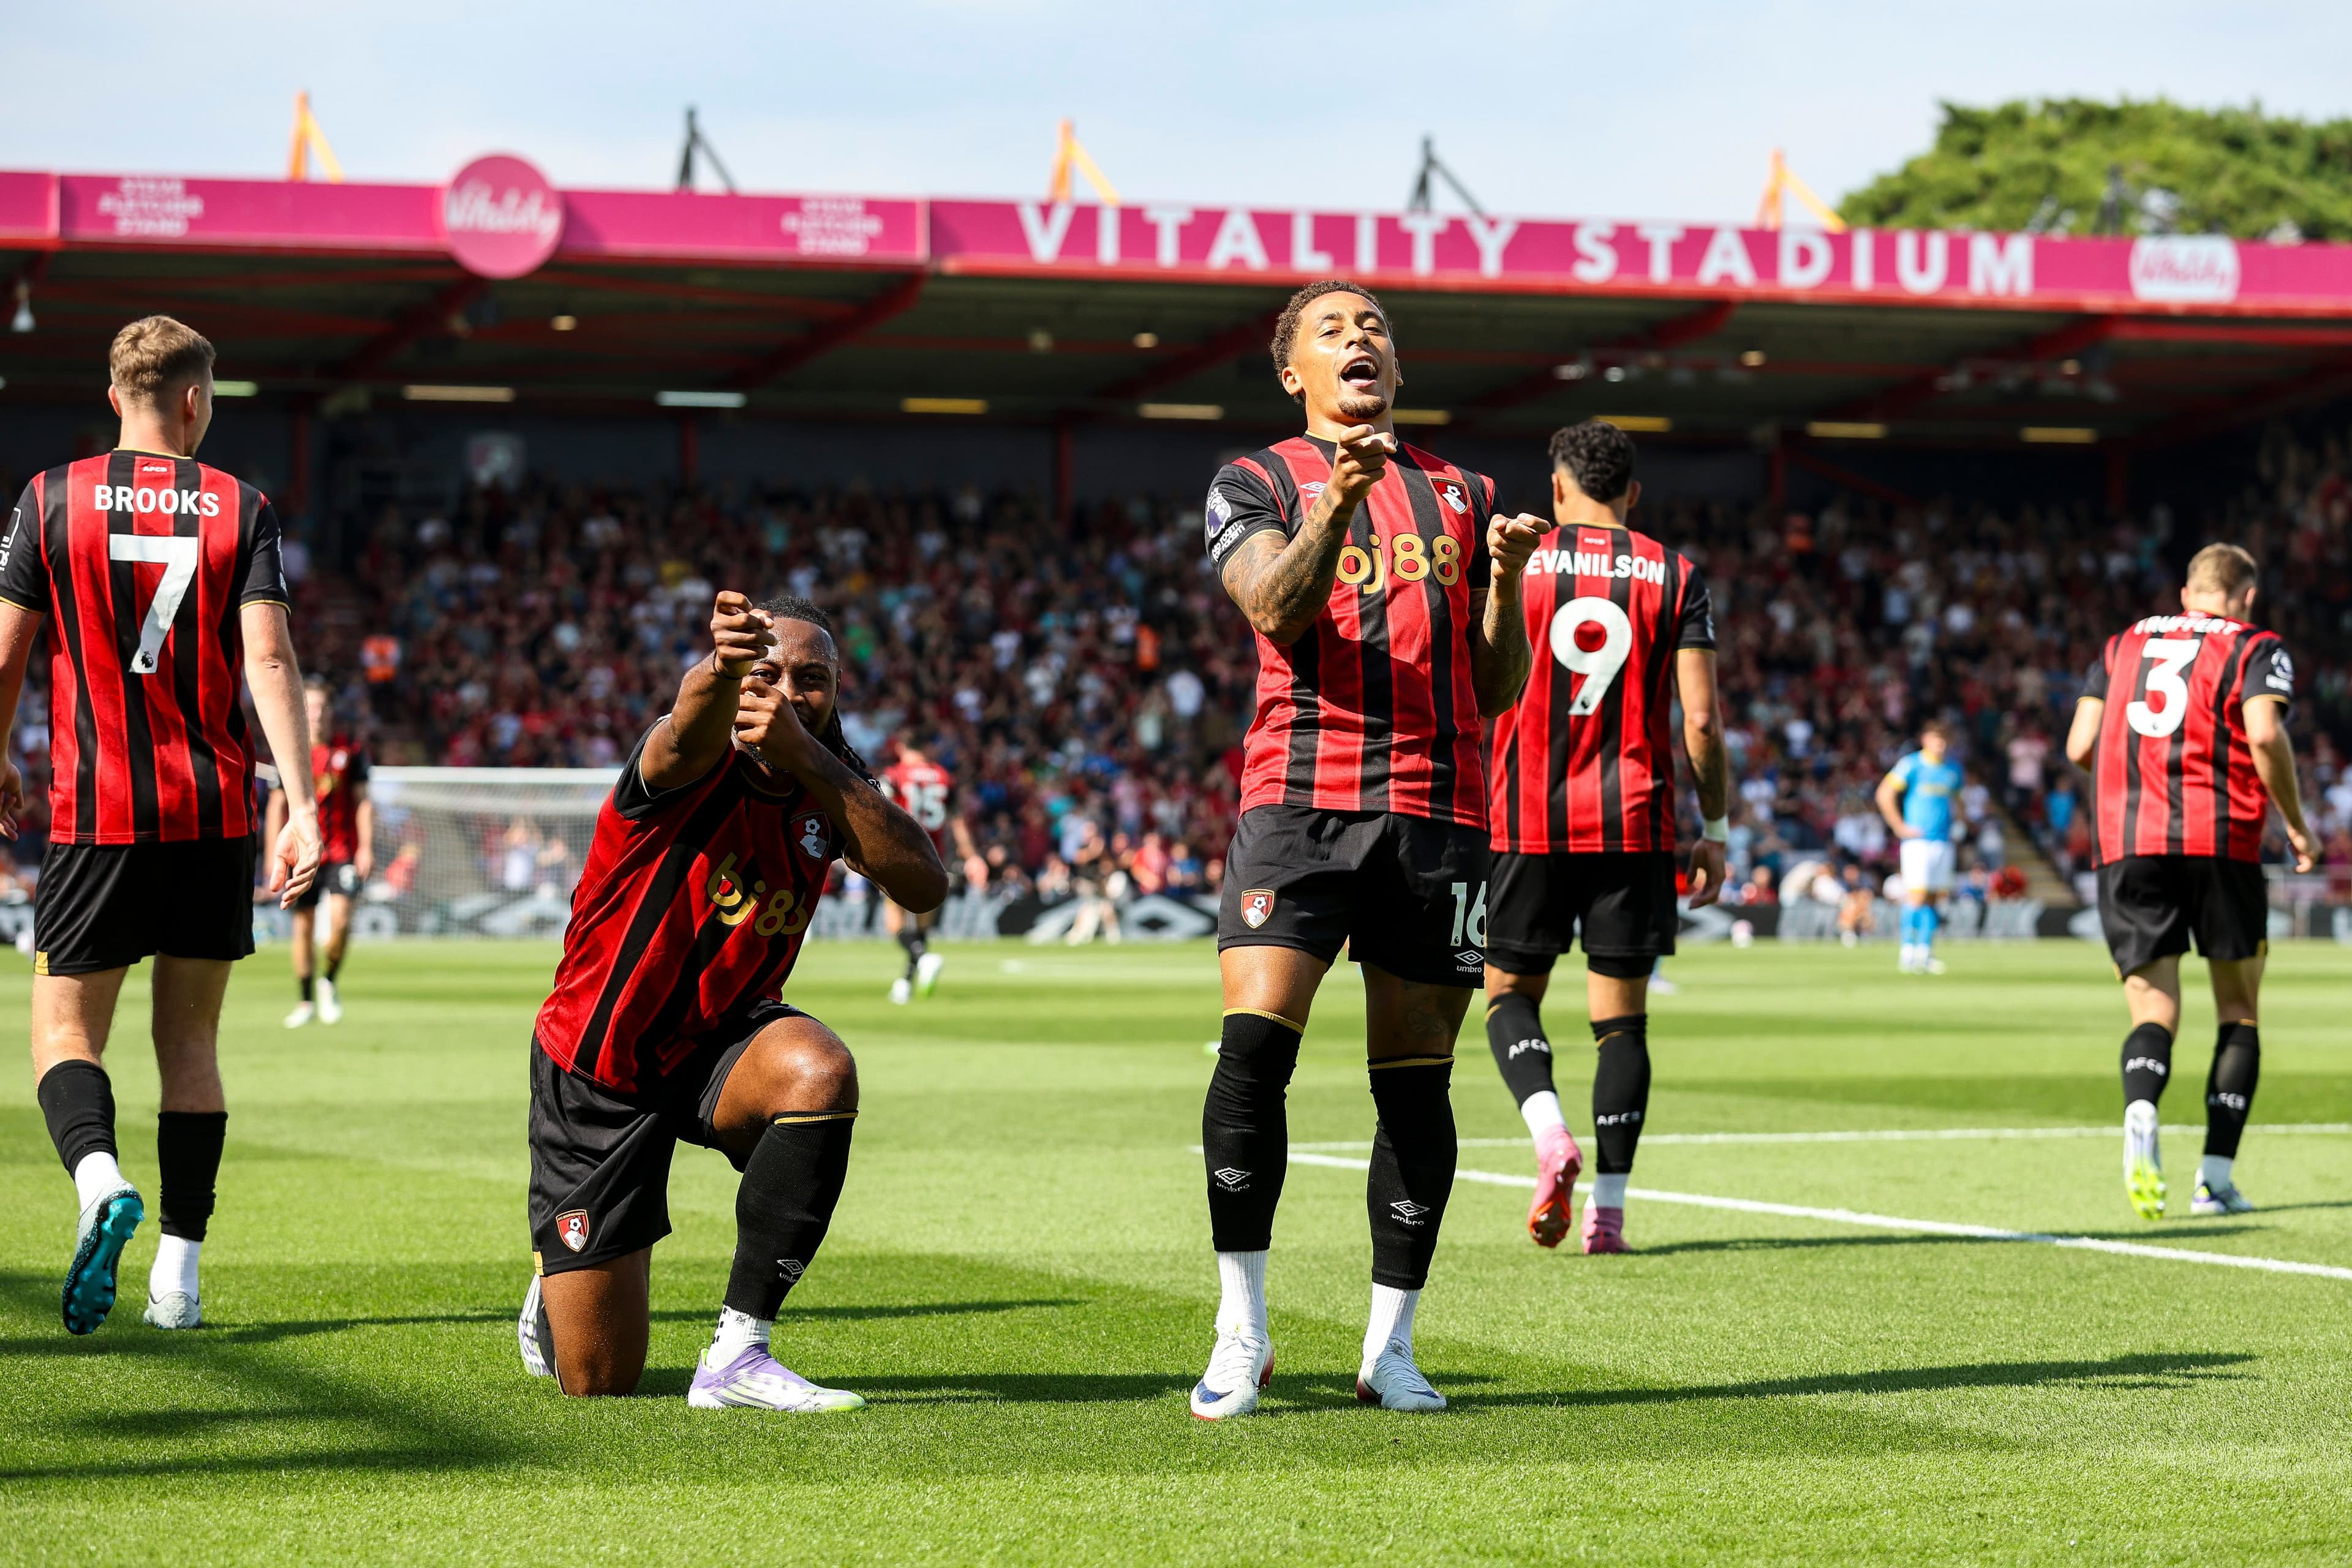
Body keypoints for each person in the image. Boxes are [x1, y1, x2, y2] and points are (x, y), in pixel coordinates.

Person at [1191, 279, 1547, 1418]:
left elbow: (1496, 687)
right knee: (1254, 1055)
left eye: (1377, 330)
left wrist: (1501, 581)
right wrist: (1338, 503)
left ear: (1399, 370)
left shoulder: (1466, 492)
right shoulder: (1256, 481)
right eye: (1334, 331)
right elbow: (1273, 610)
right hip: (1299, 801)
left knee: (1416, 1084)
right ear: (1293, 370)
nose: (1363, 341)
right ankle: (1240, 1332)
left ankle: (1390, 1348)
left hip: (1441, 813)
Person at [517, 591, 946, 1408]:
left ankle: (738, 1354)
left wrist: (813, 761)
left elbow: (923, 882)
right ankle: (555, 1277)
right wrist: (721, 666)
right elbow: (686, 722)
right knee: (600, 1382)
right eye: (769, 671)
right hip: (603, 1062)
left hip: (721, 1042)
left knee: (819, 1072)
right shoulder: (689, 760)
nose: (789, 691)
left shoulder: (831, 782)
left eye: (812, 679)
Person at [0, 315, 321, 1335]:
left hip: (98, 813)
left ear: (113, 400)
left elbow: (4, 656)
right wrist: (303, 807)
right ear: (195, 402)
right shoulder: (241, 506)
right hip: (215, 815)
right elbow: (269, 663)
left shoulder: (49, 500)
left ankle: (99, 1182)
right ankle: (177, 1281)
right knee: (190, 1046)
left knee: (59, 1032)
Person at [1480, 420, 1727, 1256]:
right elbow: (1700, 720)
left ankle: (1550, 1134)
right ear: (1636, 494)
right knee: (1621, 1026)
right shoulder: (1675, 572)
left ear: (1557, 489)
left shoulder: (1519, 561)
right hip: (1636, 824)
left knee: (1510, 996)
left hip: (1524, 821)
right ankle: (1610, 1213)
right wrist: (1716, 828)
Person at [2065, 543, 2313, 1221]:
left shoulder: (2121, 645)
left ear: (2186, 592)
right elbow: (2264, 733)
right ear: (2247, 596)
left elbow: (2080, 747)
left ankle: (2141, 1106)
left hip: (2129, 842)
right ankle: (2215, 1178)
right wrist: (2295, 822)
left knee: (2155, 1012)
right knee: (2238, 1009)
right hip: (2220, 839)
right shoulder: (2256, 644)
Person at [268, 676, 372, 1027]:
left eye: (322, 707)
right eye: (310, 707)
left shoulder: (351, 751)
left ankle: (329, 980)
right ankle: (305, 1001)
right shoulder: (291, 752)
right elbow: (276, 806)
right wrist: (273, 853)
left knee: (341, 922)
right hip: (302, 852)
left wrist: (366, 848)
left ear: (331, 712)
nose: (316, 714)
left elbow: (363, 803)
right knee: (303, 926)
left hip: (342, 851)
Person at [876, 737, 973, 1002]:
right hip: (933, 855)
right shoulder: (944, 777)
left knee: (895, 923)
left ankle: (923, 958)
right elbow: (957, 819)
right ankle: (905, 983)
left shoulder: (894, 775)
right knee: (921, 926)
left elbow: (880, 811)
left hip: (899, 853)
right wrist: (972, 856)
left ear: (901, 747)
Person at [1876, 719, 1963, 974]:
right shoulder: (1912, 764)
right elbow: (1884, 793)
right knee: (1916, 895)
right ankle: (1907, 952)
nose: (1941, 745)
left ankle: (1925, 952)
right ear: (1925, 740)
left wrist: (1961, 823)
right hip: (1918, 842)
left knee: (1935, 897)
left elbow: (1958, 800)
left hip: (1943, 841)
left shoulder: (1952, 770)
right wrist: (1898, 825)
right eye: (1937, 739)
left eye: (1945, 740)